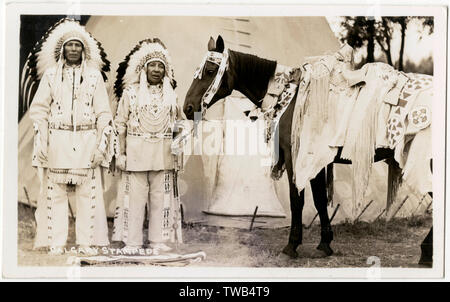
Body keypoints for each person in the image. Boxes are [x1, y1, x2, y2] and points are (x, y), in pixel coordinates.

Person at [28, 19, 114, 255]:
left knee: (87, 193)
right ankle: (57, 243)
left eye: (77, 45)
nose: (74, 49)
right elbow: (39, 109)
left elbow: (103, 113)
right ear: (62, 49)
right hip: (58, 140)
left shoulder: (95, 76)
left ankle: (86, 243)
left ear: (84, 49)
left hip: (87, 139)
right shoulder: (51, 76)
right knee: (56, 193)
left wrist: (100, 145)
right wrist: (43, 137)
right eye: (69, 45)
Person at [111, 38, 187, 254]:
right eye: (152, 65)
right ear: (144, 68)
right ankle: (132, 243)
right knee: (134, 200)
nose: (156, 69)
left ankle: (157, 241)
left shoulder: (172, 95)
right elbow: (120, 124)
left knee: (160, 200)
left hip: (163, 155)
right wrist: (121, 153)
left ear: (166, 70)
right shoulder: (131, 93)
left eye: (160, 66)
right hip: (135, 155)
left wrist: (178, 149)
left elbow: (181, 123)